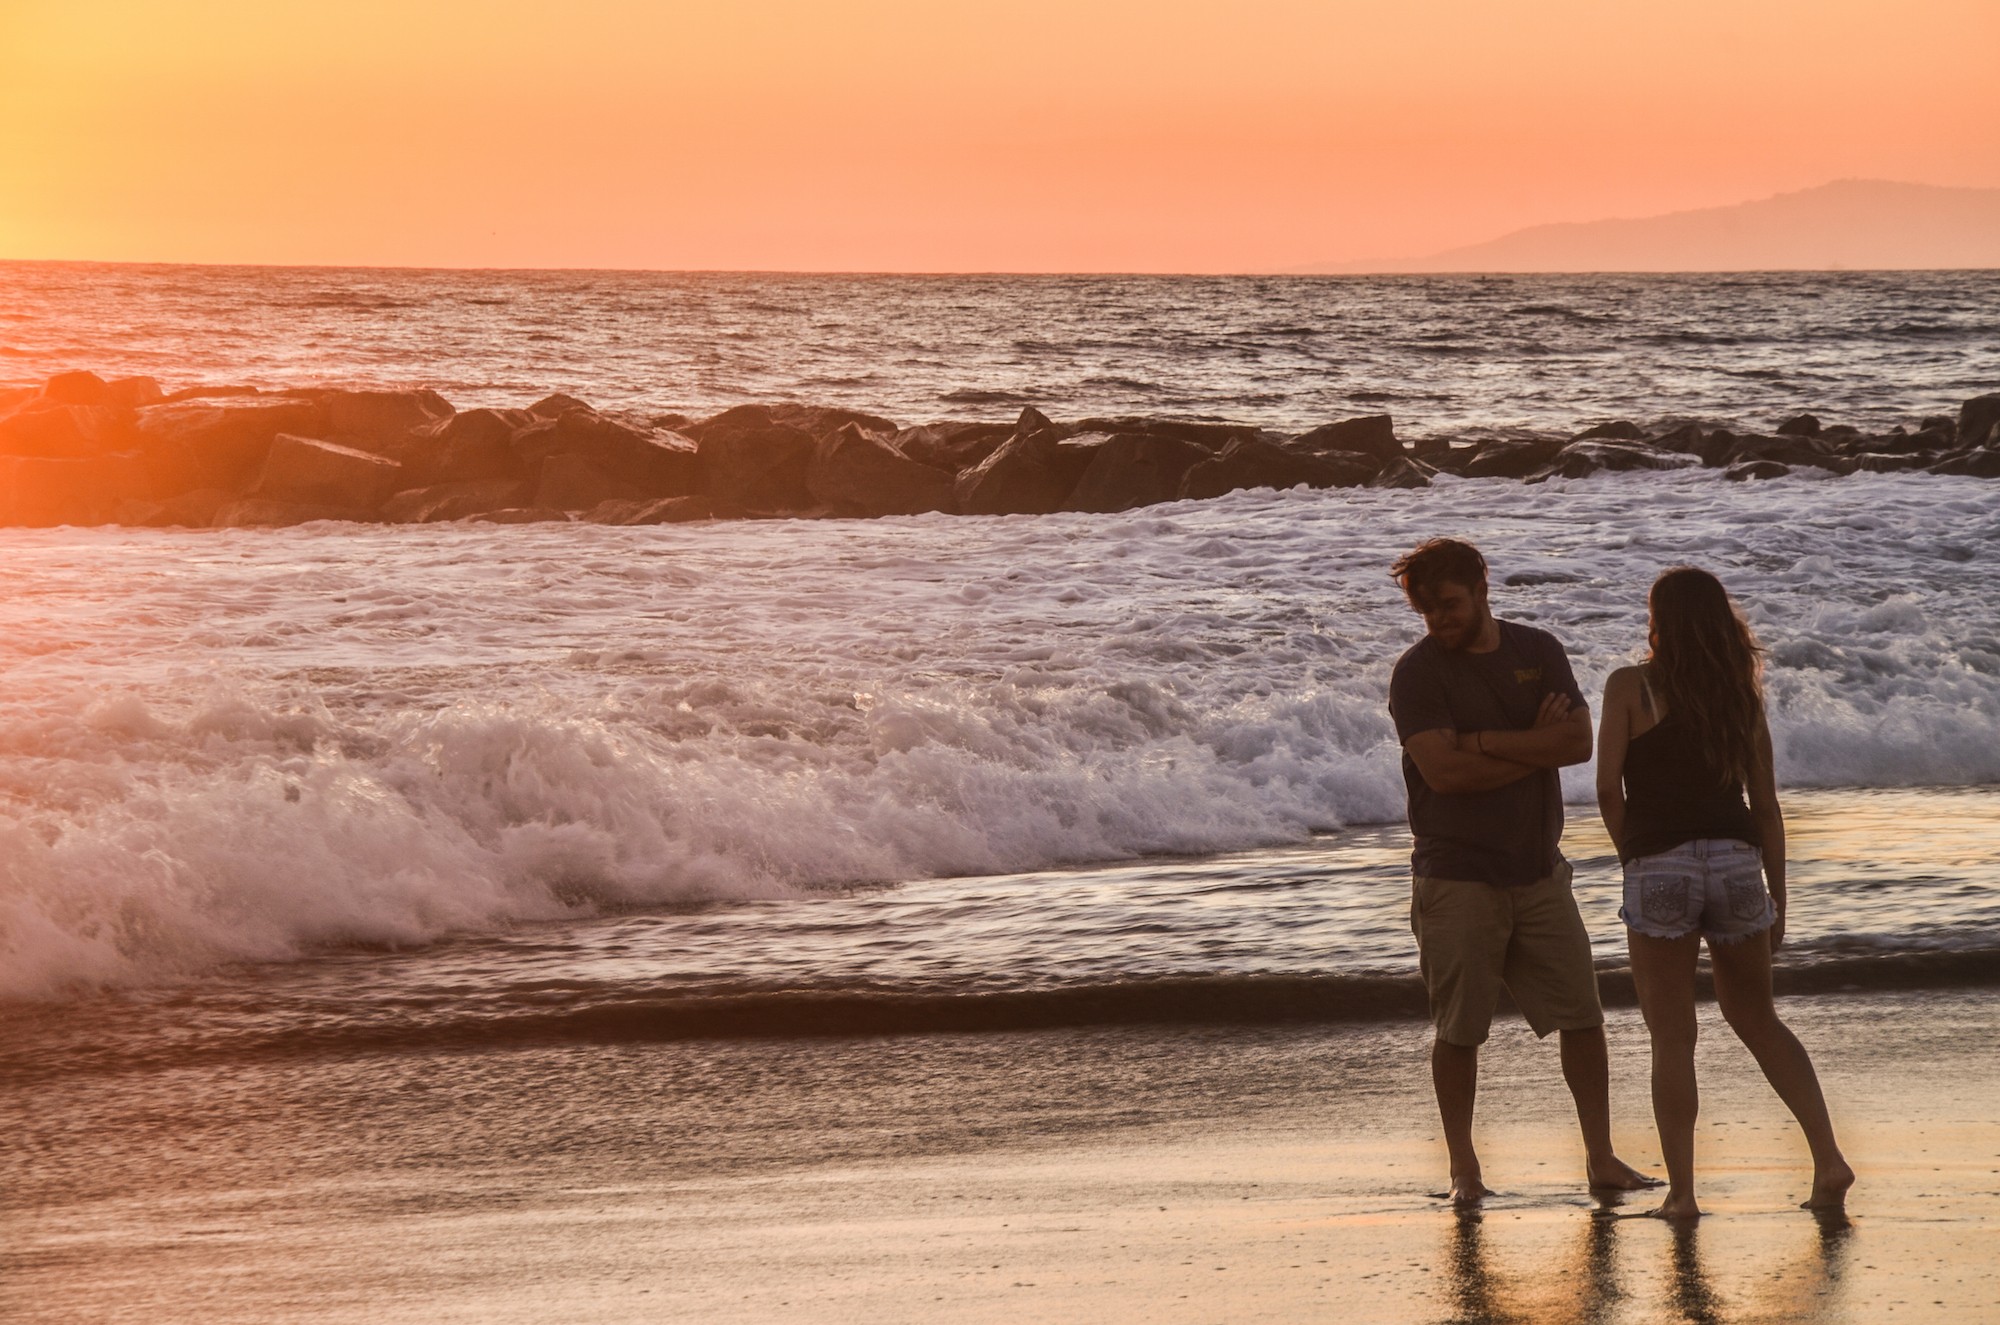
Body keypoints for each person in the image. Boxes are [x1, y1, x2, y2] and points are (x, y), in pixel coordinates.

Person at [1388, 538, 1656, 1204]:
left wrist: (1483, 743)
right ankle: (1464, 1171)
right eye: (1426, 610)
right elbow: (1444, 774)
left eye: (1448, 604)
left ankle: (1601, 1158)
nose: (1439, 620)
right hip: (1455, 875)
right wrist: (1531, 751)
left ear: (1481, 586)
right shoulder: (1417, 674)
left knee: (1584, 1016)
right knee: (1459, 1030)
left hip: (1540, 870)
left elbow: (1578, 742)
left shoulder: (1537, 651)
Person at [1596, 565, 1853, 1219]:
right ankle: (1828, 1158)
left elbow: (1607, 789)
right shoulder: (1742, 696)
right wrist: (1779, 898)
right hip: (1739, 863)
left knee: (1672, 1035)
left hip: (1662, 867)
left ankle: (1682, 1194)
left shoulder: (1632, 686)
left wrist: (1636, 854)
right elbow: (1765, 807)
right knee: (1759, 1020)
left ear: (1658, 620)